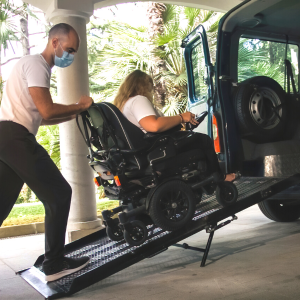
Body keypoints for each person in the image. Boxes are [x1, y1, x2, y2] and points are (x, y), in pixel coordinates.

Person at [0, 23, 93, 282]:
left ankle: (54, 262)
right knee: (60, 193)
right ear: (55, 42)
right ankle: (54, 265)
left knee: (1, 204)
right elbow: (48, 110)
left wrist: (76, 112)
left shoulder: (31, 66)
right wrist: (79, 104)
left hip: (7, 138)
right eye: (70, 49)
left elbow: (43, 118)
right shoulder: (37, 65)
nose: (71, 56)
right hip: (16, 138)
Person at [113, 69, 236, 181]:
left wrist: (178, 122)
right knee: (204, 140)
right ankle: (219, 177)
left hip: (148, 148)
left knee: (192, 139)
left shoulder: (124, 105)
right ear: (142, 86)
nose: (152, 91)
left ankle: (203, 177)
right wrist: (181, 118)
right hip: (158, 148)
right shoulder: (138, 100)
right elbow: (153, 125)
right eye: (150, 87)